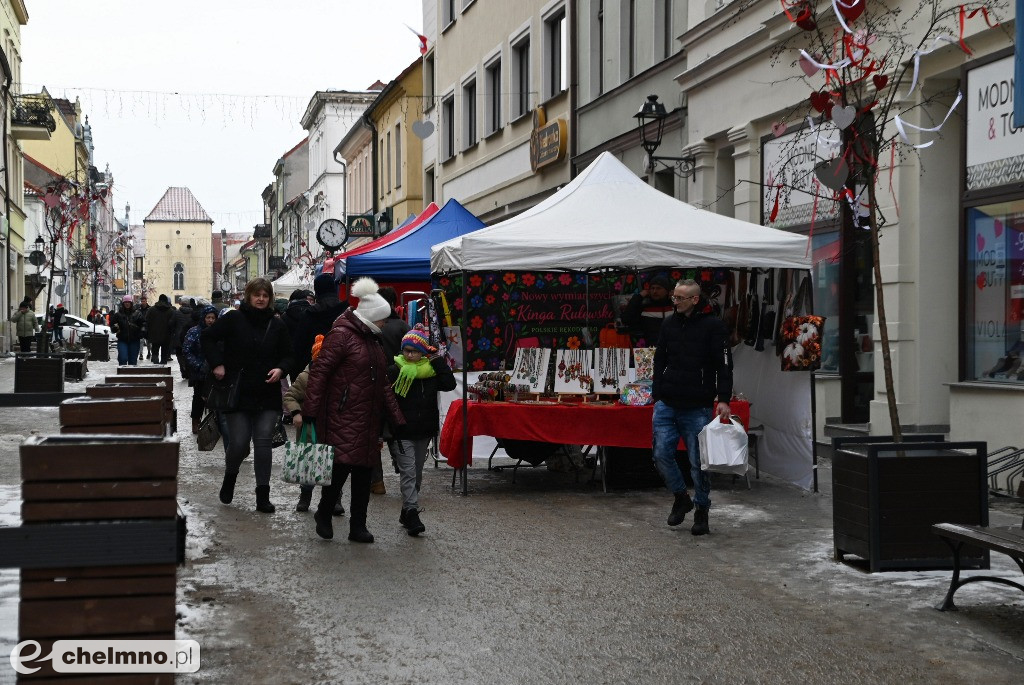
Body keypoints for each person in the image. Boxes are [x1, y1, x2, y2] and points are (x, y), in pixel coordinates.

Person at [302, 277, 405, 543]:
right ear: (372, 316)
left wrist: (397, 419)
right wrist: (310, 411)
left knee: (363, 472)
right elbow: (320, 373)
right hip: (342, 414)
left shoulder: (373, 339)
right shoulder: (341, 336)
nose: (385, 323)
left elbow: (382, 383)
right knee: (340, 469)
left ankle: (358, 526)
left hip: (368, 417)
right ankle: (324, 513)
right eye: (383, 318)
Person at [201, 278, 294, 514]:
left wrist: (281, 368)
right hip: (238, 391)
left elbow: (289, 354)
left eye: (265, 295)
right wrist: (217, 364)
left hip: (267, 391)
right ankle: (230, 475)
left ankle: (263, 495)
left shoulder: (277, 324)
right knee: (239, 443)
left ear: (270, 298)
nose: (261, 299)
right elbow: (208, 337)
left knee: (263, 442)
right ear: (249, 296)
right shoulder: (233, 319)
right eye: (257, 294)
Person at [651, 279, 733, 537]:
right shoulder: (668, 323)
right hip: (667, 401)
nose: (674, 302)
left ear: (695, 299)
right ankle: (680, 497)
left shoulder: (713, 327)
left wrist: (723, 398)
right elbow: (659, 358)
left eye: (679, 298)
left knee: (698, 463)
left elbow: (724, 365)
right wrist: (657, 392)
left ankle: (702, 509)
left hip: (696, 404)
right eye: (674, 297)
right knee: (661, 455)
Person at [386, 325, 456, 536]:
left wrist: (439, 362)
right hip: (402, 431)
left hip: (424, 430)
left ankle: (406, 511)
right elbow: (385, 401)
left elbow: (450, 384)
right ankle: (413, 513)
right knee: (407, 472)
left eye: (414, 351)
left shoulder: (431, 372)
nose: (409, 354)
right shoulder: (395, 370)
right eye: (406, 350)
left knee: (416, 474)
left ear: (423, 352)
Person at [283, 335, 344, 516]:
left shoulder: (340, 377)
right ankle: (306, 496)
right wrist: (296, 412)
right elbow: (290, 396)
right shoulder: (305, 377)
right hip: (310, 428)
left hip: (333, 427)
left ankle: (334, 499)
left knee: (333, 464)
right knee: (309, 463)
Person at [373, 286, 410, 494]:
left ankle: (377, 482)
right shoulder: (403, 326)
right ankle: (401, 466)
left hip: (375, 386)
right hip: (400, 387)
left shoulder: (371, 327)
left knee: (374, 435)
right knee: (397, 431)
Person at [183, 305, 219, 434]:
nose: (210, 320)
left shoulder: (218, 332)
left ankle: (216, 423)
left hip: (215, 370)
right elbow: (187, 350)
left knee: (216, 397)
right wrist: (197, 365)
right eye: (208, 317)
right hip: (199, 371)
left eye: (213, 318)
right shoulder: (194, 332)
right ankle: (196, 420)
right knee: (199, 397)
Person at [621, 275, 675, 347]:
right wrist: (639, 297)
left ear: (667, 291)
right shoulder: (644, 308)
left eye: (659, 288)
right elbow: (626, 319)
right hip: (647, 351)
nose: (654, 291)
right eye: (652, 288)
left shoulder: (674, 306)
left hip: (671, 350)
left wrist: (679, 298)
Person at [110, 295, 146, 365]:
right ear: (123, 303)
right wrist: (114, 328)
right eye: (125, 302)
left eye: (128, 302)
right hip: (122, 340)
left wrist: (142, 331)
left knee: (132, 361)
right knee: (123, 358)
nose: (127, 304)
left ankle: (131, 375)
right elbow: (112, 325)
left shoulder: (137, 314)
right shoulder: (118, 315)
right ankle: (122, 373)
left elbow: (143, 324)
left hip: (134, 340)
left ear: (131, 303)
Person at [146, 294, 176, 364]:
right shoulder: (171, 311)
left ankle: (156, 369)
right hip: (166, 336)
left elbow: (147, 321)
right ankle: (163, 370)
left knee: (155, 353)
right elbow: (173, 324)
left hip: (154, 336)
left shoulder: (151, 310)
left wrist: (148, 332)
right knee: (164, 355)